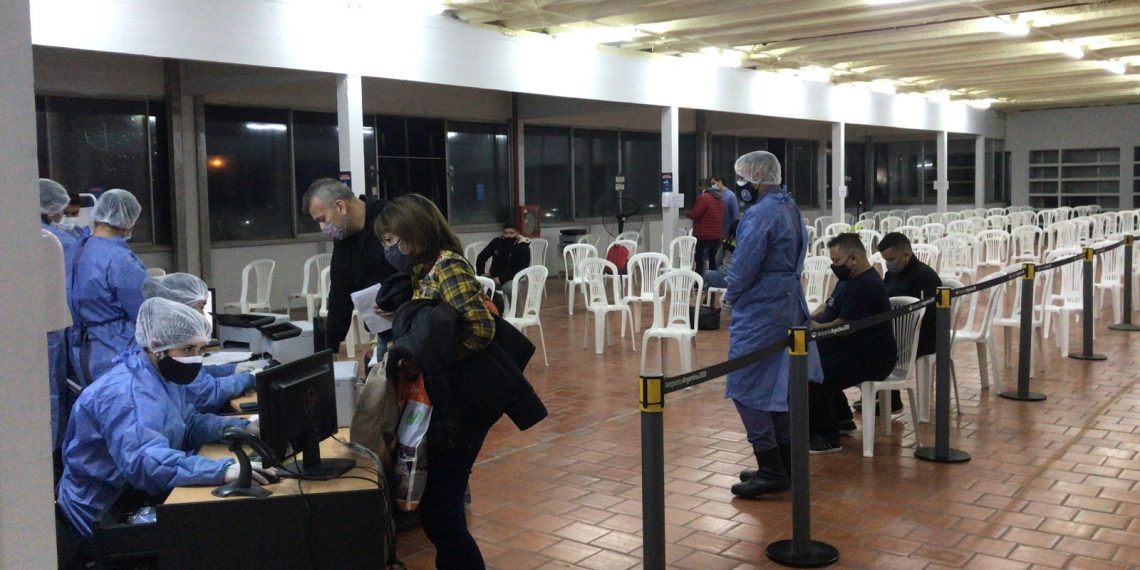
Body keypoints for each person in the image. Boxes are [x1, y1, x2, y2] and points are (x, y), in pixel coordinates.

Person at [56, 298, 270, 541]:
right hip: (104, 511)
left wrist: (243, 429)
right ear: (156, 345)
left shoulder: (159, 375)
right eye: (187, 349)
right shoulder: (129, 394)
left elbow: (186, 424)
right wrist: (221, 470)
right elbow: (147, 465)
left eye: (199, 350)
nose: (195, 359)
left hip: (130, 493)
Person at [376, 194, 498, 569]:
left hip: (459, 405)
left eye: (391, 239)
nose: (388, 248)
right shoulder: (422, 271)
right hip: (438, 401)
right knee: (442, 511)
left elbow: (481, 327)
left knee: (441, 513)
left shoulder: (447, 266)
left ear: (415, 233)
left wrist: (433, 359)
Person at [724, 151, 820, 499]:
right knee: (779, 388)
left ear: (758, 177)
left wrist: (729, 296)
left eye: (744, 178)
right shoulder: (790, 208)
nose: (742, 186)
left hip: (761, 309)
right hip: (788, 304)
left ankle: (770, 468)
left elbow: (744, 265)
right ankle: (784, 465)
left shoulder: (760, 214)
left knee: (745, 385)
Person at [809, 234, 897, 454]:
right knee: (813, 359)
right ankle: (842, 419)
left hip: (871, 357)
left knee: (814, 373)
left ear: (854, 259)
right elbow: (828, 307)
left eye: (837, 261)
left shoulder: (866, 285)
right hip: (850, 349)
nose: (834, 266)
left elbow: (844, 324)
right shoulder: (848, 279)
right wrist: (808, 317)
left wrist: (815, 329)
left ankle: (827, 438)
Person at [302, 178, 396, 353]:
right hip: (384, 330)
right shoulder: (343, 238)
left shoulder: (392, 219)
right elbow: (339, 295)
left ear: (340, 206)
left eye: (323, 219)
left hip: (416, 323)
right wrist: (330, 351)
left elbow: (418, 270)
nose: (323, 227)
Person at [67, 189, 149, 387]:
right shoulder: (119, 259)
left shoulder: (74, 250)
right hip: (116, 351)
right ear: (126, 220)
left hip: (80, 350)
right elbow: (144, 313)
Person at [142, 273, 257, 412]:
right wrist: (250, 379)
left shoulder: (161, 349)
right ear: (179, 307)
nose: (203, 316)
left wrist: (232, 369)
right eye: (202, 307)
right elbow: (205, 394)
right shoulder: (139, 390)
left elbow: (188, 421)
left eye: (200, 350)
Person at [863, 232, 942, 414]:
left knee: (877, 346)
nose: (888, 264)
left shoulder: (925, 277)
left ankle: (889, 397)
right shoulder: (892, 274)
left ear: (906, 255)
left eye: (891, 259)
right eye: (885, 260)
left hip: (923, 336)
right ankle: (882, 394)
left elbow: (928, 317)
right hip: (896, 331)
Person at [40, 179, 82, 453]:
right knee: (50, 396)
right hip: (50, 332)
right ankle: (51, 461)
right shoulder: (52, 242)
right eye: (64, 212)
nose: (65, 218)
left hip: (45, 330)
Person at [474, 222, 531, 299]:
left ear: (517, 233)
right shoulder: (497, 242)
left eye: (511, 233)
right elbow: (481, 257)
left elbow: (521, 269)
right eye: (506, 233)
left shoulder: (523, 247)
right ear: (503, 233)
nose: (508, 236)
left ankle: (516, 311)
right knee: (476, 287)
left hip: (512, 279)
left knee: (512, 289)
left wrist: (501, 279)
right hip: (493, 277)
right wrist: (481, 274)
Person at [686, 178, 724, 275]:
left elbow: (696, 214)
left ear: (701, 187)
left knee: (699, 260)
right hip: (717, 235)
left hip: (704, 235)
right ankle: (711, 281)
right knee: (713, 260)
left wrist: (688, 213)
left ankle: (699, 282)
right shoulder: (719, 198)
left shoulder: (704, 197)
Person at [715, 176, 740, 268]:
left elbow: (736, 215)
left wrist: (733, 232)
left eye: (714, 183)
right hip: (717, 232)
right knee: (718, 258)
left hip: (727, 233)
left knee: (726, 257)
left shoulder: (730, 196)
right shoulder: (716, 195)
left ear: (720, 181)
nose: (713, 185)